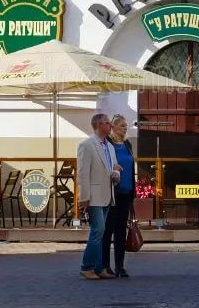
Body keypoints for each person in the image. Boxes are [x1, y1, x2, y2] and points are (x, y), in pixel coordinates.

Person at [77, 113, 121, 280]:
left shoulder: (110, 146)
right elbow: (83, 173)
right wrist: (84, 197)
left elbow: (113, 168)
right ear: (99, 125)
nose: (110, 126)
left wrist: (116, 174)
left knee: (101, 233)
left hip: (107, 194)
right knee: (98, 230)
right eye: (107, 123)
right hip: (94, 196)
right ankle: (86, 267)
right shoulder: (87, 145)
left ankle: (99, 267)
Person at [102, 114, 136, 277]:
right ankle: (105, 265)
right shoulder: (108, 144)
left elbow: (131, 167)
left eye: (126, 125)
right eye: (122, 125)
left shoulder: (127, 144)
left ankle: (120, 266)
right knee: (108, 230)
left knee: (121, 230)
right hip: (112, 193)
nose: (125, 128)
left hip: (126, 192)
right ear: (113, 127)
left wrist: (133, 191)